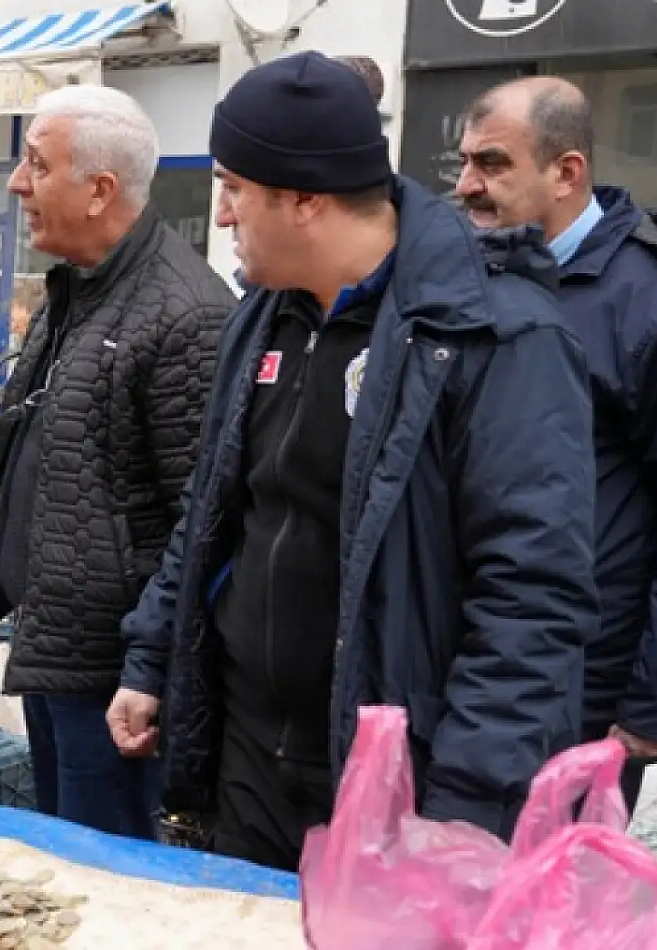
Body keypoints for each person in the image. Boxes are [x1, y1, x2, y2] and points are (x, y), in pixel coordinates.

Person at [107, 52, 598, 870]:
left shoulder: (496, 336)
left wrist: (468, 806)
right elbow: (213, 508)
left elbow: (532, 596)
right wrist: (152, 658)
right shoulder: (261, 317)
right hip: (248, 756)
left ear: (303, 201)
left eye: (235, 189)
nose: (222, 215)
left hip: (400, 779)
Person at [456, 77, 657, 807]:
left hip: (580, 688)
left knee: (541, 906)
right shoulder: (477, 283)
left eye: (493, 164)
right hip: (475, 665)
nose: (468, 186)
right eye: (464, 163)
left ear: (567, 172)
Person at [0, 86, 235, 839]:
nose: (17, 183)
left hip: (113, 685)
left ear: (99, 190)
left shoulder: (186, 313)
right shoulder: (71, 293)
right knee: (63, 856)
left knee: (103, 867)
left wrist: (146, 670)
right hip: (55, 652)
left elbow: (203, 520)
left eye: (35, 164)